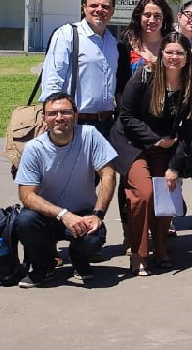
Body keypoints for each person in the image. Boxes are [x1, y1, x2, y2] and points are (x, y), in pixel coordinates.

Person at [7, 94, 118, 287]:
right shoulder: (34, 148)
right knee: (25, 221)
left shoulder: (90, 135)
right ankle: (43, 267)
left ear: (75, 116)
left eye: (65, 112)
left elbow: (108, 174)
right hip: (47, 216)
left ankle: (79, 259)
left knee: (94, 237)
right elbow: (26, 195)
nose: (59, 117)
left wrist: (98, 214)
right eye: (52, 113)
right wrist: (63, 215)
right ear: (44, 118)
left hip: (83, 213)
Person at [115, 33, 192, 276]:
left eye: (179, 53)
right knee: (143, 194)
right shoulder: (144, 76)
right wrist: (155, 140)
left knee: (167, 190)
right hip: (133, 144)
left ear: (187, 58)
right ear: (162, 54)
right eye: (169, 52)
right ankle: (138, 253)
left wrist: (174, 166)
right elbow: (126, 116)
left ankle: (161, 248)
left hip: (166, 147)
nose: (174, 57)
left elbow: (189, 129)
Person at [40, 0, 120, 137]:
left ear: (112, 11)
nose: (99, 10)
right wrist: (51, 117)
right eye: (94, 5)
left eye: (105, 6)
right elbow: (53, 78)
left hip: (106, 124)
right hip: (74, 123)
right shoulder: (67, 34)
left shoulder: (112, 41)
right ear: (84, 8)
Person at [115, 0, 172, 96]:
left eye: (157, 16)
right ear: (139, 16)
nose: (152, 20)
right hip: (131, 108)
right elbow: (119, 84)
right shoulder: (125, 46)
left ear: (164, 18)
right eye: (147, 15)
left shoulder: (172, 46)